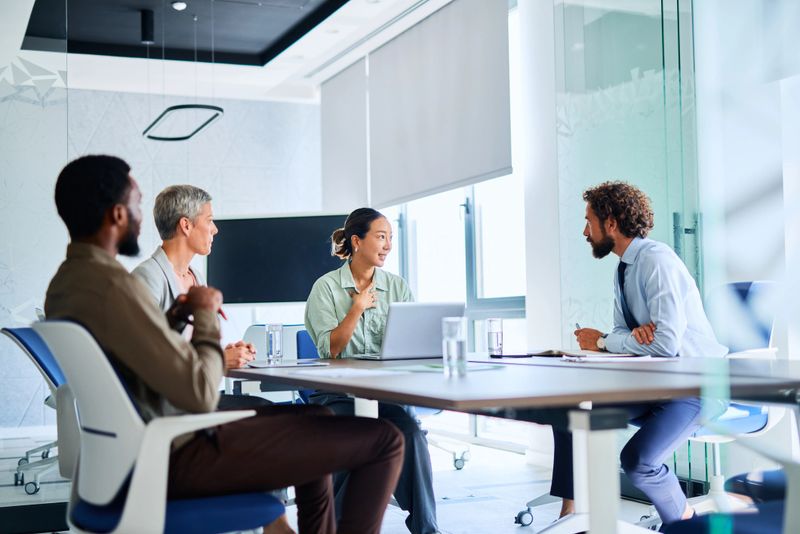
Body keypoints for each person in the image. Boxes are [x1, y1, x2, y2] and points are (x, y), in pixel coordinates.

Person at [45, 155, 404, 534]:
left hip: (143, 442)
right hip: (172, 450)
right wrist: (202, 313)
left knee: (319, 419)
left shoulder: (73, 282)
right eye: (136, 204)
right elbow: (198, 394)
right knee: (385, 439)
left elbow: (131, 362)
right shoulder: (116, 287)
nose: (141, 216)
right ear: (117, 215)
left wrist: (172, 320)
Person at [551, 181, 728, 526]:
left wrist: (604, 341)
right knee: (570, 409)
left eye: (589, 221)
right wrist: (627, 337)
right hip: (656, 385)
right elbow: (623, 333)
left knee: (638, 461)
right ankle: (568, 515)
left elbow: (663, 345)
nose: (585, 231)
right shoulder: (623, 269)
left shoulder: (656, 261)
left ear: (612, 223)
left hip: (697, 385)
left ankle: (686, 521)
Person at [304, 208, 439, 534]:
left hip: (385, 393)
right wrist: (357, 308)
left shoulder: (397, 287)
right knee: (355, 439)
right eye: (381, 237)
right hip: (338, 394)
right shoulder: (325, 288)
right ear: (356, 241)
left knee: (410, 433)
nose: (388, 245)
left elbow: (410, 345)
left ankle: (427, 529)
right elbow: (330, 348)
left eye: (391, 238)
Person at [132, 185, 263, 408]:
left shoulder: (196, 277)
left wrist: (223, 354)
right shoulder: (147, 277)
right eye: (209, 220)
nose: (215, 229)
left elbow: (190, 351)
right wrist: (220, 360)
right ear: (186, 225)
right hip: (173, 404)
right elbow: (146, 359)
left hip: (195, 395)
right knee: (276, 412)